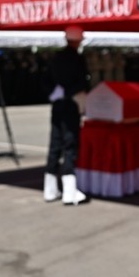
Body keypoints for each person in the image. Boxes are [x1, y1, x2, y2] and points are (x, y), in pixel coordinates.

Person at [44, 26, 90, 205]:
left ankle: (50, 189)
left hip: (57, 104)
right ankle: (69, 192)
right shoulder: (77, 59)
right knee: (70, 145)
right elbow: (81, 83)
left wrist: (55, 94)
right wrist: (68, 92)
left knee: (55, 144)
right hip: (71, 104)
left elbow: (45, 81)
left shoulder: (56, 58)